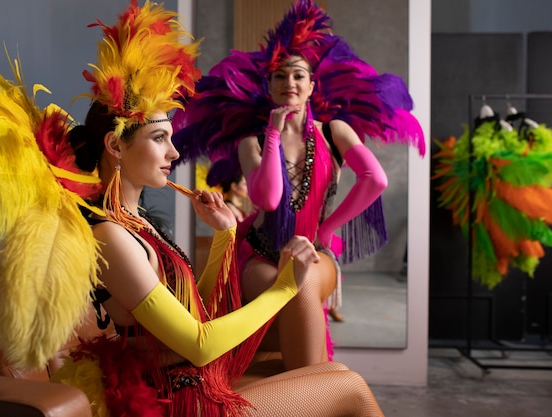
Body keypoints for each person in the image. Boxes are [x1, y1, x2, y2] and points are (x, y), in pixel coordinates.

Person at [48, 2, 385, 416]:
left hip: (197, 378)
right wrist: (284, 285)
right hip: (183, 399)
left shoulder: (134, 224)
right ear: (116, 146)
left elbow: (194, 313)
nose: (174, 151)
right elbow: (199, 343)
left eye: (170, 137)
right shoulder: (111, 236)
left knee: (331, 372)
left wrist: (225, 235)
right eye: (159, 138)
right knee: (347, 386)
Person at [172, 0, 425, 371]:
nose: (289, 83)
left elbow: (376, 179)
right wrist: (273, 132)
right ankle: (310, 392)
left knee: (303, 284)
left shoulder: (334, 132)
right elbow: (268, 198)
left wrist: (329, 228)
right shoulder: (252, 142)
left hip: (317, 250)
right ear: (269, 86)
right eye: (279, 76)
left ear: (311, 86)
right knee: (284, 285)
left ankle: (306, 397)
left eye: (298, 76)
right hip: (262, 253)